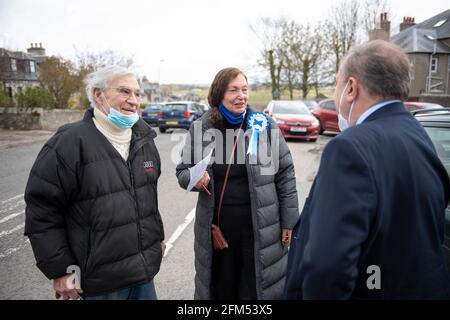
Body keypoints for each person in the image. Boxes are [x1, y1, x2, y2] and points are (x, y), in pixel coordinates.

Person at [284, 40, 450, 299]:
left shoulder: (349, 148)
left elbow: (327, 268)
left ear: (351, 87)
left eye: (337, 83)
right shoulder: (420, 136)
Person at [24, 65, 165, 300]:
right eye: (124, 91)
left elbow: (148, 200)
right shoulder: (69, 143)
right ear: (98, 95)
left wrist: (155, 240)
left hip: (143, 276)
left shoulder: (145, 140)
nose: (133, 100)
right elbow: (43, 211)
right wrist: (61, 271)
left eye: (137, 94)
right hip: (98, 284)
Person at [176, 67, 299, 299]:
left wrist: (289, 221)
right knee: (223, 288)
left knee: (256, 289)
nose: (241, 95)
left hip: (262, 228)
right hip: (219, 230)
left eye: (244, 89)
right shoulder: (201, 128)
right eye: (233, 90)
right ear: (219, 94)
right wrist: (195, 179)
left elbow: (285, 174)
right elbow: (182, 172)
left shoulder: (264, 126)